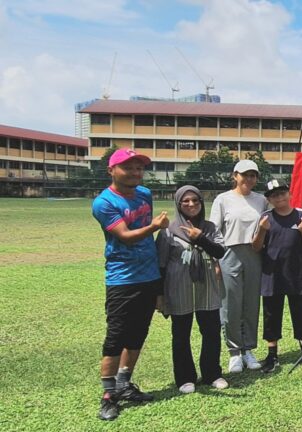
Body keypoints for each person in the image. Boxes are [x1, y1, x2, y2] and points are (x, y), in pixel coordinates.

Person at [91, 148, 168, 421]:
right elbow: (126, 236)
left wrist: (159, 285)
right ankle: (108, 395)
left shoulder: (144, 194)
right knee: (116, 338)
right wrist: (155, 227)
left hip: (148, 277)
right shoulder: (104, 202)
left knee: (138, 334)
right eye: (128, 168)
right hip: (122, 279)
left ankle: (124, 384)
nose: (136, 173)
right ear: (111, 170)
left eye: (139, 168)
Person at [156, 186, 228, 394]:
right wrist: (159, 295)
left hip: (207, 287)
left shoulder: (210, 227)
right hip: (179, 287)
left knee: (211, 331)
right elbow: (160, 263)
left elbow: (220, 252)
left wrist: (200, 238)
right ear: (178, 204)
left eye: (195, 200)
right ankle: (185, 377)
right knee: (181, 334)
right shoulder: (168, 229)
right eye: (185, 201)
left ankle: (212, 373)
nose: (191, 205)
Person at [252, 179, 302, 372]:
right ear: (269, 199)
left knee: (301, 313)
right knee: (272, 315)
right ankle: (272, 355)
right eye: (274, 195)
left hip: (296, 274)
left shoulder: (301, 215)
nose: (279, 197)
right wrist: (262, 230)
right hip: (272, 275)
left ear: (289, 194)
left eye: (282, 193)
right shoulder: (265, 217)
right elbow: (256, 247)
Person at [209, 160, 268, 373]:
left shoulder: (261, 200)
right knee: (231, 305)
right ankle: (234, 352)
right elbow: (214, 231)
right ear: (235, 175)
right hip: (229, 253)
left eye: (253, 175)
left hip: (254, 254)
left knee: (251, 304)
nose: (249, 179)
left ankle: (248, 350)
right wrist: (215, 261)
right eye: (245, 174)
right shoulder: (223, 199)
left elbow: (265, 228)